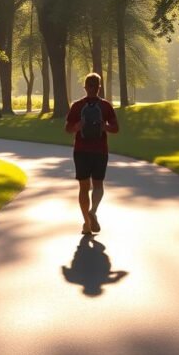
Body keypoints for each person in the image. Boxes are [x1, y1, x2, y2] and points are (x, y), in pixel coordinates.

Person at [65, 72, 119, 235]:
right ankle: (93, 211)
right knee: (98, 184)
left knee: (83, 187)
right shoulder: (105, 106)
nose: (92, 89)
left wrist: (77, 127)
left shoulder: (77, 105)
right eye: (92, 86)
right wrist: (105, 128)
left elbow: (67, 129)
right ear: (99, 88)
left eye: (92, 86)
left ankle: (87, 224)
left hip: (81, 151)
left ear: (86, 87)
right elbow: (116, 128)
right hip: (100, 151)